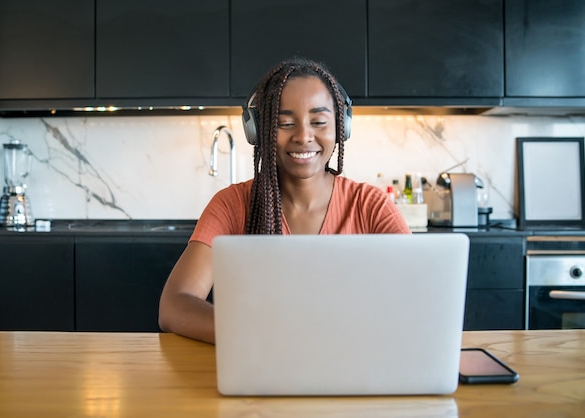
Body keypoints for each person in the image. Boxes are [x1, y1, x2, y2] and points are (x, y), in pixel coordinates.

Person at [158, 58, 410, 344]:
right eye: (285, 123)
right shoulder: (232, 205)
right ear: (259, 131)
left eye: (319, 122)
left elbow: (416, 297)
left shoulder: (371, 205)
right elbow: (175, 304)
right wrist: (256, 334)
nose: (303, 136)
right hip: (259, 367)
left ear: (341, 127)